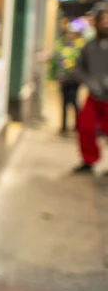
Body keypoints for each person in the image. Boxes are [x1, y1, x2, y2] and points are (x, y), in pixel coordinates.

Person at [73, 9, 108, 173]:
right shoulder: (89, 47)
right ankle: (89, 160)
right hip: (94, 96)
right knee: (85, 126)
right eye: (103, 20)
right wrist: (89, 81)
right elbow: (79, 69)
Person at [50, 22, 85, 134]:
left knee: (74, 101)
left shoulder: (80, 46)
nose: (72, 35)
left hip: (74, 79)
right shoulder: (64, 44)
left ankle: (78, 125)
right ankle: (64, 126)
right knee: (64, 102)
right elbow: (58, 59)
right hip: (64, 79)